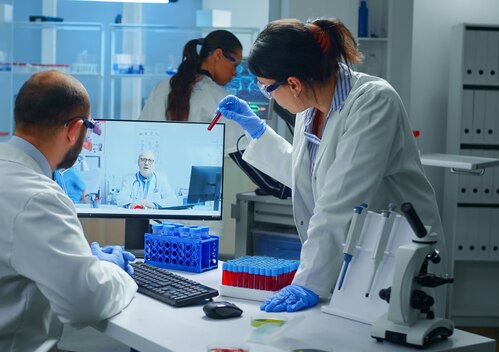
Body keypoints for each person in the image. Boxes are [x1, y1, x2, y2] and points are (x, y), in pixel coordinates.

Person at [217, 18, 447, 313]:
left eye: (266, 89)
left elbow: (342, 201)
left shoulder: (373, 102)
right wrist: (259, 132)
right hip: (353, 252)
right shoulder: (310, 107)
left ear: (294, 84)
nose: (267, 96)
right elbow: (309, 176)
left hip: (394, 251)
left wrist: (309, 281)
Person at [0, 70, 138, 351]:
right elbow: (85, 304)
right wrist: (116, 271)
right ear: (74, 128)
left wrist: (84, 264)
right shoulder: (38, 196)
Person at [139, 30, 255, 253]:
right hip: (201, 211)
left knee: (161, 267)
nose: (236, 72)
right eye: (235, 63)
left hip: (160, 201)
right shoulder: (217, 98)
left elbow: (142, 134)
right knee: (197, 272)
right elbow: (242, 151)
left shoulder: (162, 88)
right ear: (218, 55)